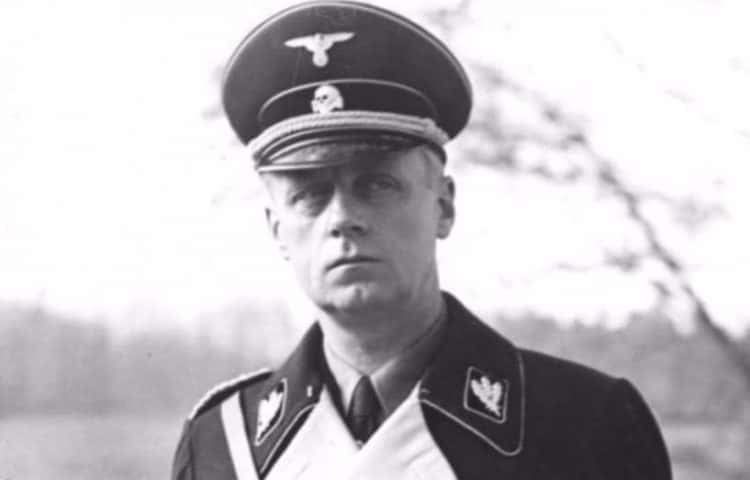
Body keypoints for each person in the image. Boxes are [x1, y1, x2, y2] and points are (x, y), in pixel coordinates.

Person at [171, 2, 672, 479]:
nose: (342, 218)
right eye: (309, 195)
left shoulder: (585, 425)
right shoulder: (220, 444)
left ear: (444, 206)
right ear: (277, 229)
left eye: (377, 184)